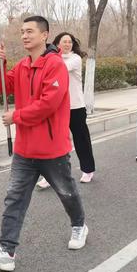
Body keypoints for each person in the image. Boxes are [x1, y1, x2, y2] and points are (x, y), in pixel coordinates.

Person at [0, 16, 88, 272]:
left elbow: (49, 104)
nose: (24, 36)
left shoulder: (55, 65)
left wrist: (16, 117)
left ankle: (79, 225)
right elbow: (1, 87)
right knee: (14, 198)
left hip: (52, 149)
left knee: (66, 192)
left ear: (45, 35)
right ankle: (6, 252)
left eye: (30, 31)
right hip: (25, 150)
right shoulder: (23, 65)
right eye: (22, 32)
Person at [37, 32, 95, 189]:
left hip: (75, 107)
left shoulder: (74, 59)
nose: (68, 44)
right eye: (64, 41)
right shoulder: (52, 58)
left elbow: (59, 68)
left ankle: (88, 170)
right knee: (54, 142)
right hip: (57, 108)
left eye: (70, 42)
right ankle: (51, 176)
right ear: (57, 43)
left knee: (81, 140)